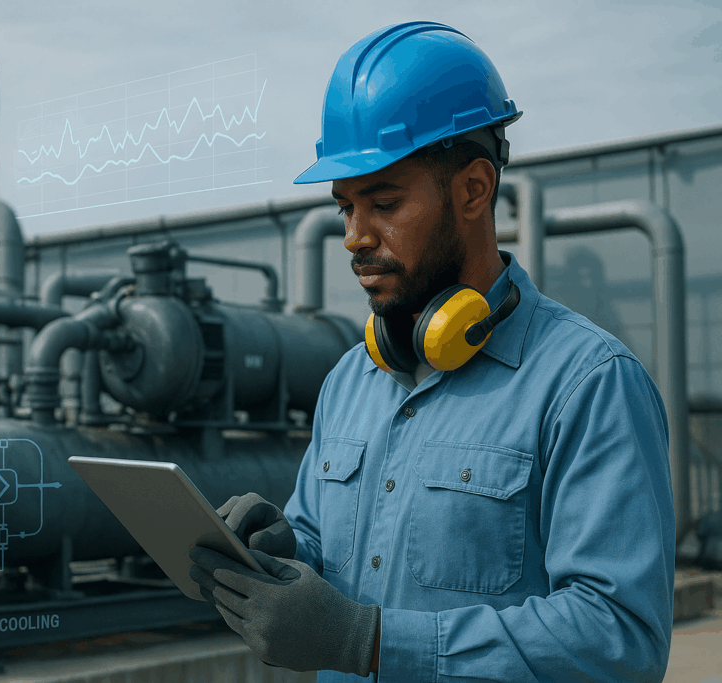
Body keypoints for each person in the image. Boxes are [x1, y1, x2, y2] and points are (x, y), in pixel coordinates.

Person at [188, 21, 674, 682]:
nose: (355, 237)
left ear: (473, 189)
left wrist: (373, 641)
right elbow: (327, 554)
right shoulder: (351, 379)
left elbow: (619, 636)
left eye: (383, 202)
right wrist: (283, 547)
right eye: (345, 208)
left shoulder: (587, 384)